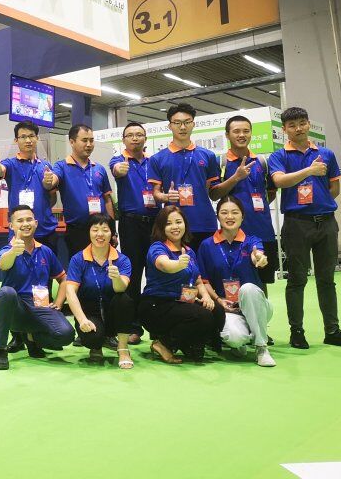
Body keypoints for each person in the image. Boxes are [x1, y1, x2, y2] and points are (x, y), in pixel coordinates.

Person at [268, 107, 341, 349]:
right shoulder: (279, 156)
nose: (298, 128)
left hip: (326, 223)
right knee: (297, 279)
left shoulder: (326, 154)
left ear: (308, 124)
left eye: (302, 123)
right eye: (292, 125)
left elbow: (334, 189)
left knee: (327, 279)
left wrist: (319, 202)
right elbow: (279, 181)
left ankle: (332, 330)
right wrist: (309, 171)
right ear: (284, 129)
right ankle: (296, 332)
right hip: (296, 223)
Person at [0, 205, 74, 370]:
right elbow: (3, 264)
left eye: (29, 220)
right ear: (11, 226)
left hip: (40, 304)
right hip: (17, 307)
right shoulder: (7, 250)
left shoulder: (46, 251)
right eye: (20, 221)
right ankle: (1, 349)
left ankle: (30, 338)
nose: (25, 224)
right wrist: (14, 252)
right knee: (6, 293)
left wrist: (59, 302)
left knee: (67, 335)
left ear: (36, 223)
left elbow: (63, 278)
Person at [138, 206, 225, 363]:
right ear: (161, 227)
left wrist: (206, 297)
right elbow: (164, 265)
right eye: (169, 223)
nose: (175, 227)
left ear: (185, 224)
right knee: (202, 316)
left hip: (181, 302)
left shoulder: (189, 251)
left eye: (178, 222)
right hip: (156, 305)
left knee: (216, 310)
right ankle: (164, 344)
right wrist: (178, 264)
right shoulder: (157, 247)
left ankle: (192, 344)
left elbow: (198, 280)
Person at [196, 196, 276, 367]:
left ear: (242, 216)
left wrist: (259, 258)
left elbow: (258, 254)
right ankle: (243, 341)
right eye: (224, 213)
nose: (230, 217)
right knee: (234, 338)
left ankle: (261, 347)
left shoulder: (252, 241)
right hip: (229, 309)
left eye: (235, 212)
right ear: (218, 216)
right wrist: (218, 300)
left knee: (247, 289)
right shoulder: (206, 245)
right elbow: (204, 281)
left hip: (256, 306)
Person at [210, 115, 279, 297]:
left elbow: (271, 192)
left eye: (246, 131)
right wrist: (236, 178)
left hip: (263, 231)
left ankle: (260, 315)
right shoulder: (220, 162)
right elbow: (214, 193)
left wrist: (256, 209)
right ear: (227, 135)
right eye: (236, 131)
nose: (242, 135)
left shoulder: (262, 161)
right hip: (232, 234)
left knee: (261, 281)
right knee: (232, 279)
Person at [54, 214, 134, 369]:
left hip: (113, 312)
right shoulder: (78, 259)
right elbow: (70, 291)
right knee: (92, 339)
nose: (100, 234)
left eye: (105, 230)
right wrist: (82, 319)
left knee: (124, 300)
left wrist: (116, 278)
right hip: (89, 312)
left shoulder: (122, 260)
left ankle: (123, 348)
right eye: (95, 229)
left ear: (112, 234)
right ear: (89, 232)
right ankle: (97, 345)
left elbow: (120, 288)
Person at [109, 121, 159, 344]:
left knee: (156, 271)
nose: (135, 138)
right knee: (134, 273)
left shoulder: (154, 162)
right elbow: (116, 170)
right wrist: (119, 170)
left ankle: (157, 327)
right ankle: (133, 326)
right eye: (130, 135)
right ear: (124, 140)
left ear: (145, 139)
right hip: (130, 223)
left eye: (139, 134)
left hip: (156, 223)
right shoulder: (118, 160)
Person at [148, 103, 221, 252]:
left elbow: (212, 191)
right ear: (170, 126)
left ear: (193, 124)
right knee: (179, 265)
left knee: (206, 265)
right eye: (177, 123)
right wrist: (165, 196)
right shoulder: (157, 159)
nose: (182, 127)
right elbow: (156, 193)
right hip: (173, 226)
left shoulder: (208, 156)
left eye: (187, 122)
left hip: (204, 222)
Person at [43, 124, 114, 258]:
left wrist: (112, 229)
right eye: (84, 140)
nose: (89, 144)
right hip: (77, 231)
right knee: (80, 266)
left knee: (104, 265)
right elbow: (53, 180)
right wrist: (48, 181)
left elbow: (107, 200)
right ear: (72, 142)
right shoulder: (61, 166)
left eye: (91, 140)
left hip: (101, 229)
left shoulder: (99, 169)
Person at [0, 121, 58, 254]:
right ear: (16, 140)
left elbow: (52, 196)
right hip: (20, 231)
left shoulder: (45, 166)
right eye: (23, 137)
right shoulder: (10, 164)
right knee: (20, 265)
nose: (28, 140)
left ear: (37, 138)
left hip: (46, 230)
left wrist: (43, 206)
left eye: (31, 136)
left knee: (48, 266)